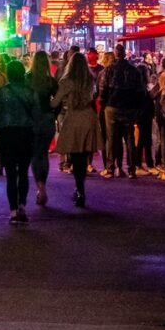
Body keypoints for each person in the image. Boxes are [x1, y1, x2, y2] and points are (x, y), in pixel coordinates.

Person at [0, 59, 39, 224]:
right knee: (24, 172)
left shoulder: (1, 92)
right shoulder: (30, 92)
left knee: (11, 174)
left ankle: (12, 211)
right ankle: (22, 206)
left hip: (7, 133)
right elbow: (36, 114)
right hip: (25, 133)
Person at [53, 51, 101, 208]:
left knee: (74, 155)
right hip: (88, 117)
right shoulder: (89, 79)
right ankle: (80, 188)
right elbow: (94, 97)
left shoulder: (67, 81)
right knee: (83, 155)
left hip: (73, 117)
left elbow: (55, 102)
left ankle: (79, 188)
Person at [98, 44, 144, 179]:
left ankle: (111, 168)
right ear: (125, 54)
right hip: (128, 108)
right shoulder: (134, 71)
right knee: (129, 138)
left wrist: (103, 103)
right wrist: (137, 107)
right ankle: (131, 169)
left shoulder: (108, 70)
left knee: (112, 138)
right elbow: (140, 91)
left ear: (116, 54)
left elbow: (103, 89)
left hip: (112, 107)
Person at [27, 51, 58, 206]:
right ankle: (43, 185)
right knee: (43, 154)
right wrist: (54, 113)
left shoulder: (27, 79)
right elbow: (58, 100)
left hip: (32, 119)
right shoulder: (50, 81)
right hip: (47, 118)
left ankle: (39, 186)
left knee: (35, 154)